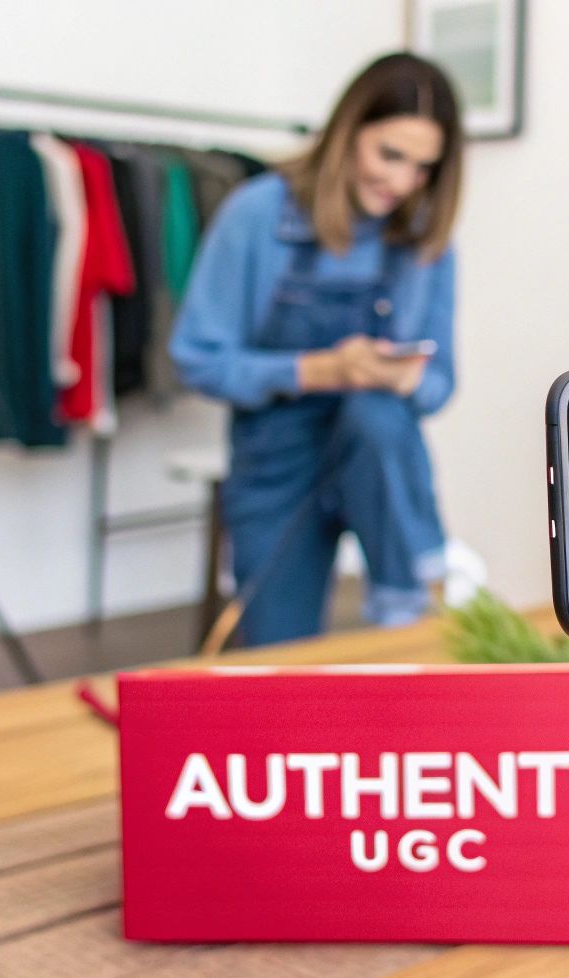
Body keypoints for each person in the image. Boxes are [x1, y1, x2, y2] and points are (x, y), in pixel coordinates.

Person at [170, 53, 464, 646]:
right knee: (281, 663)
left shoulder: (424, 239)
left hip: (378, 461)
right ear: (347, 131)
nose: (402, 182)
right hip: (278, 467)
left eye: (423, 167)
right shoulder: (255, 214)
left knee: (376, 413)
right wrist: (324, 369)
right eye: (390, 155)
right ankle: (426, 572)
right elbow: (198, 356)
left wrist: (402, 379)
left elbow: (440, 386)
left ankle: (420, 581)